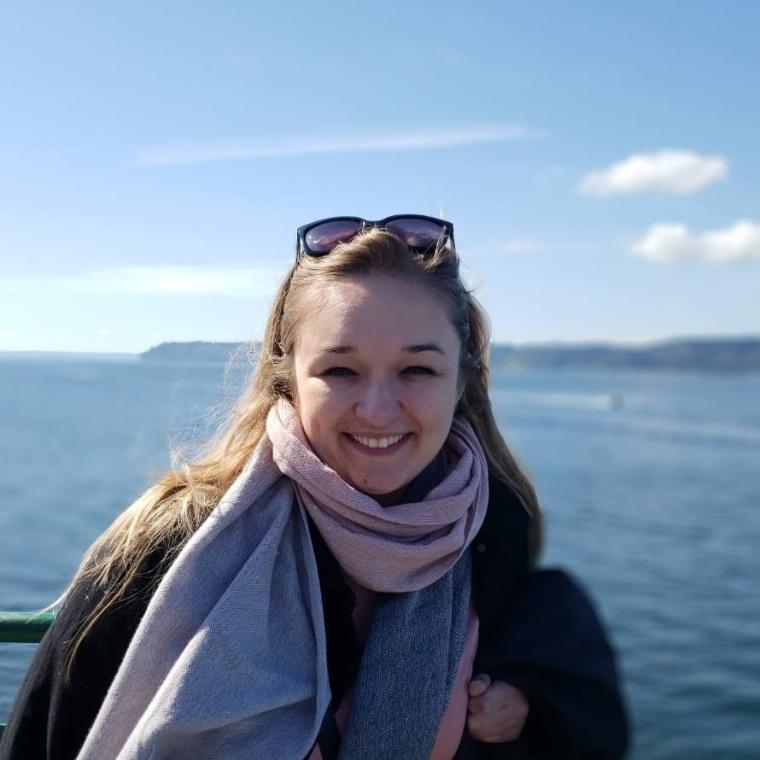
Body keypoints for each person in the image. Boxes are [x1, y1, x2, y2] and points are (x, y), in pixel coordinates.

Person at [0, 215, 629, 759]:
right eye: (339, 369)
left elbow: (562, 683)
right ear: (287, 378)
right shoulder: (172, 549)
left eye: (417, 368)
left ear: (462, 379)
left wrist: (528, 703)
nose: (378, 410)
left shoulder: (488, 531)